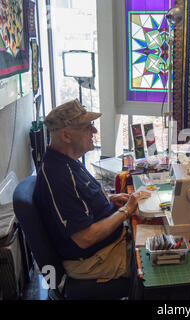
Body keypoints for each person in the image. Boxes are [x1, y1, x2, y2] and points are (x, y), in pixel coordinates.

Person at [34, 99, 149, 282]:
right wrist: (126, 210)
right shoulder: (58, 175)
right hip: (94, 261)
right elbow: (85, 237)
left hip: (110, 244)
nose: (94, 131)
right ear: (66, 136)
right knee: (157, 264)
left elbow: (79, 202)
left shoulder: (68, 160)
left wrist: (110, 198)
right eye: (88, 127)